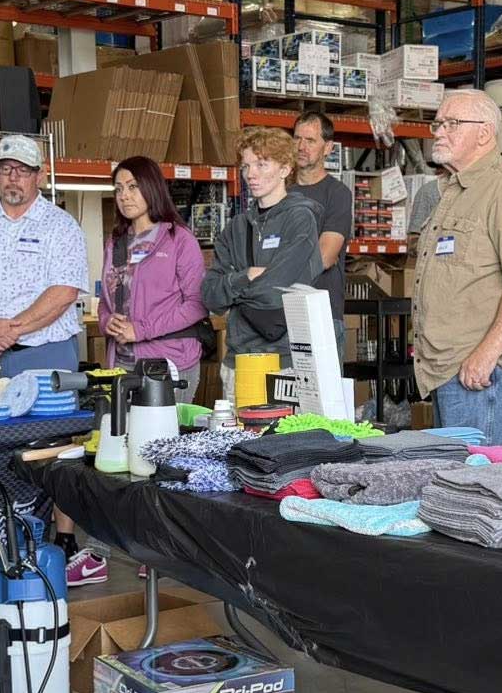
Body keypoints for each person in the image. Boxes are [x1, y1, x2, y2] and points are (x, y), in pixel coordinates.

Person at [58, 157, 209, 588]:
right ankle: (99, 553)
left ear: (151, 188)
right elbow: (105, 301)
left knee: (157, 460)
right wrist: (110, 324)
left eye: (131, 187)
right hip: (120, 365)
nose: (124, 196)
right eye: (118, 188)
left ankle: (157, 548)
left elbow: (196, 303)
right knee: (110, 458)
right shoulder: (117, 242)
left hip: (169, 363)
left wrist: (142, 329)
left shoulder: (178, 239)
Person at [413, 88, 502, 444]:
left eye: (452, 123)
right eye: (438, 123)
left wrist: (486, 354)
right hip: (450, 369)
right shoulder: (454, 190)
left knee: (479, 489)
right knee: (458, 488)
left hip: (488, 375)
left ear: (485, 133)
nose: (439, 131)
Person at [0, 133, 90, 379]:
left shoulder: (62, 226)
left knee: (52, 419)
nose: (13, 178)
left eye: (23, 170)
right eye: (5, 169)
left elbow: (64, 291)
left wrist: (7, 332)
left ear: (40, 176)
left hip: (46, 353)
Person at [202, 128, 322, 401]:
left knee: (282, 442)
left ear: (285, 169)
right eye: (246, 165)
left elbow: (276, 293)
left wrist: (234, 294)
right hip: (238, 361)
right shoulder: (236, 228)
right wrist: (244, 277)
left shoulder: (300, 220)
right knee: (240, 442)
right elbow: (210, 296)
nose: (250, 174)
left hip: (286, 361)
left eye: (261, 164)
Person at [290, 110, 354, 354]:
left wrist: (277, 267)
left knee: (323, 393)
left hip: (321, 316)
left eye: (310, 140)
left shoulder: (337, 194)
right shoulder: (278, 191)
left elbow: (326, 256)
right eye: (297, 138)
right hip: (278, 316)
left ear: (328, 148)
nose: (301, 146)